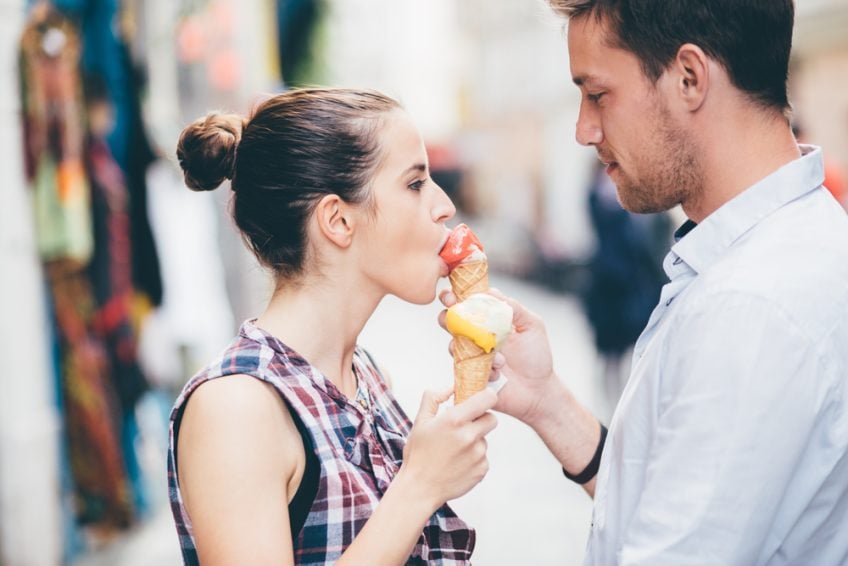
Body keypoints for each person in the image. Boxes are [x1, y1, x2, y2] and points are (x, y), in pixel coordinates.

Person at [440, 1, 848, 564]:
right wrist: (546, 401)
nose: (584, 130)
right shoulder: (778, 249)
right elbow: (671, 503)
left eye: (597, 94)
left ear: (689, 78)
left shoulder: (751, 306)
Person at [169, 88, 498, 565]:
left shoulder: (365, 376)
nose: (444, 205)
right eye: (415, 184)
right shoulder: (236, 407)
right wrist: (420, 485)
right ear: (339, 220)